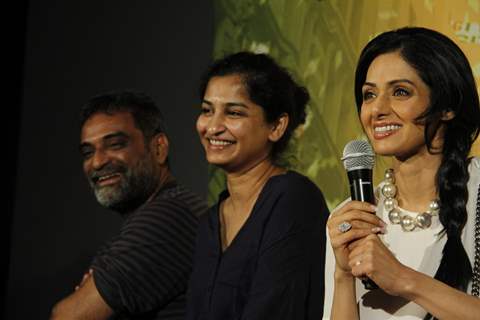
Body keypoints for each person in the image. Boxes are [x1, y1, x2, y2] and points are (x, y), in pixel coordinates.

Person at [324, 26, 480, 319]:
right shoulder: (349, 217)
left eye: (400, 92)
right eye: (369, 95)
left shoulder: (477, 192)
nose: (377, 110)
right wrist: (343, 277)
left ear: (447, 105)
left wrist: (404, 280)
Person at [186, 51, 329, 319]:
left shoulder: (293, 199)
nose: (213, 127)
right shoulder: (209, 222)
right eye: (207, 111)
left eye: (234, 113)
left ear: (276, 126)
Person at [50, 91, 207, 320]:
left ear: (158, 148)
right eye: (88, 152)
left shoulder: (169, 217)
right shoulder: (169, 210)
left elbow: (67, 317)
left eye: (114, 145)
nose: (97, 161)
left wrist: (90, 293)